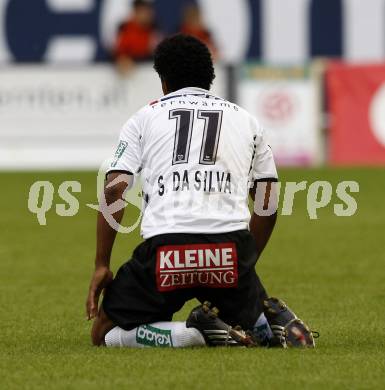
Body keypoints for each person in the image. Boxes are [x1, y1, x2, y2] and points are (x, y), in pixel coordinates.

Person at [86, 35, 315, 348]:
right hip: (229, 250)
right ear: (210, 77)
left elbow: (114, 192)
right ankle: (270, 325)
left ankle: (193, 334)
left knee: (103, 334)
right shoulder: (246, 120)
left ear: (163, 80)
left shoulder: (144, 118)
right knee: (251, 326)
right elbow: (268, 203)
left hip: (166, 250)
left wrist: (102, 264)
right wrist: (242, 264)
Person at [114, 0, 159, 73]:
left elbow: (156, 52)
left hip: (148, 69)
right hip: (130, 67)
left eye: (147, 12)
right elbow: (119, 53)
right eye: (142, 11)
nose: (146, 15)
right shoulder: (125, 28)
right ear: (135, 12)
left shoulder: (154, 29)